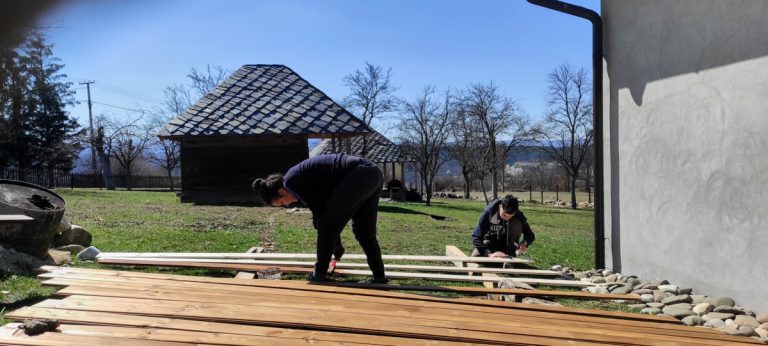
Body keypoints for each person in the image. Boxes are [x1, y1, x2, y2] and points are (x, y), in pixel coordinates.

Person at [252, 153, 387, 284]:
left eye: (282, 203)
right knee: (364, 231)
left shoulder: (292, 182)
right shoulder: (299, 179)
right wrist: (336, 243)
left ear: (281, 192)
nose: (287, 205)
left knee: (326, 225)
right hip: (373, 173)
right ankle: (379, 276)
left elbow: (322, 218)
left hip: (359, 174)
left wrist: (336, 244)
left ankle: (320, 274)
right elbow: (323, 211)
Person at [471, 195, 535, 258]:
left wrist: (524, 243)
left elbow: (530, 235)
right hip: (489, 243)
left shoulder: (519, 215)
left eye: (510, 217)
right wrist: (489, 254)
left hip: (507, 246)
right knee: (476, 255)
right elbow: (476, 237)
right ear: (500, 206)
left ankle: (510, 253)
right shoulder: (489, 212)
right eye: (504, 215)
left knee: (517, 223)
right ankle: (495, 254)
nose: (507, 218)